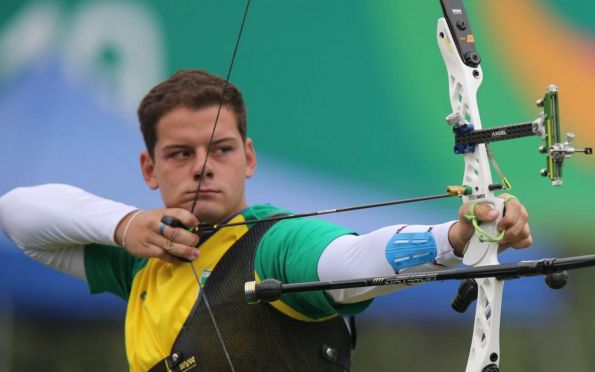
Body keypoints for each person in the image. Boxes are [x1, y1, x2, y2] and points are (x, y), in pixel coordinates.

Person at [0, 69, 531, 371]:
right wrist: (125, 226)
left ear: (249, 158)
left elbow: (347, 262)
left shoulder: (276, 243)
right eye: (180, 154)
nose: (203, 165)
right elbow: (17, 214)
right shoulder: (142, 261)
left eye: (221, 149)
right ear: (149, 167)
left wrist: (456, 235)